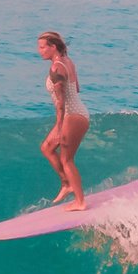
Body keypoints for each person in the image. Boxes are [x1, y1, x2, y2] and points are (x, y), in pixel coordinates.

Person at [37, 30, 89, 208]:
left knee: (67, 159)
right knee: (47, 147)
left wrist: (60, 127)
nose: (40, 51)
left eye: (43, 47)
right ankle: (67, 184)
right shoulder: (68, 62)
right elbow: (77, 89)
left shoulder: (56, 68)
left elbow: (61, 102)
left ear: (53, 47)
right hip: (77, 112)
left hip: (72, 115)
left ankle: (80, 202)